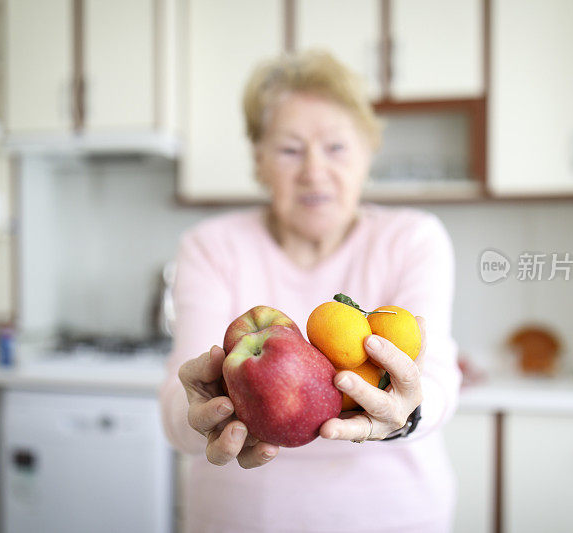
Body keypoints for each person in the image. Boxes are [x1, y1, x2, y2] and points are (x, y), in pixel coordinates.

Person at [159, 50, 461, 532]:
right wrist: (201, 418)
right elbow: (178, 408)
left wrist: (405, 413)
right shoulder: (211, 247)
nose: (314, 171)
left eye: (337, 147)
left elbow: (438, 378)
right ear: (258, 161)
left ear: (367, 154)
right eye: (289, 150)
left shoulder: (413, 238)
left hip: (392, 516)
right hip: (240, 519)